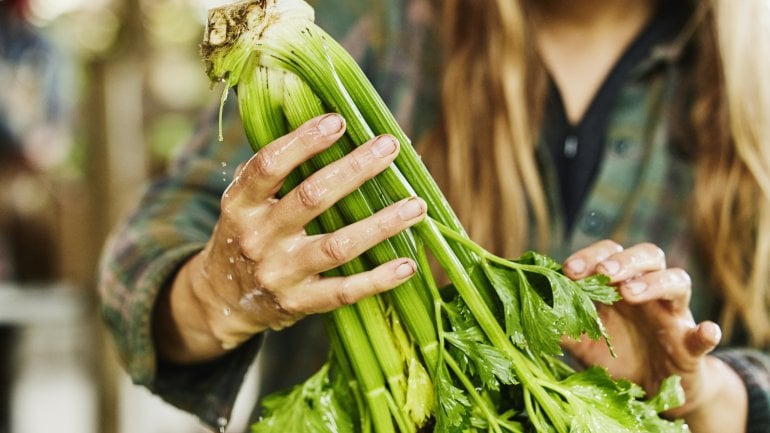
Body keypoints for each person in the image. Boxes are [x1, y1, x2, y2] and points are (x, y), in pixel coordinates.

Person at [98, 0, 770, 431]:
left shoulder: (753, 84)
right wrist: (221, 289)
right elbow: (136, 259)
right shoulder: (373, 24)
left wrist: (706, 393)